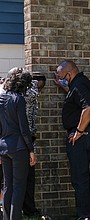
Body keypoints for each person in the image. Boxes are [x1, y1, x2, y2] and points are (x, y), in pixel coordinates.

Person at [54, 60, 90, 220]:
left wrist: (79, 131)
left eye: (61, 76)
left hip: (81, 135)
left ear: (69, 73)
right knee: (80, 176)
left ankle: (84, 216)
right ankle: (84, 214)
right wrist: (63, 87)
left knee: (79, 177)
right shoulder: (78, 84)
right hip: (85, 134)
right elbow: (76, 98)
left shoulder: (79, 84)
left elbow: (89, 108)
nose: (60, 79)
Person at [0, 67, 37, 220]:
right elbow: (24, 129)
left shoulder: (1, 98)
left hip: (3, 147)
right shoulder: (18, 99)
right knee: (19, 187)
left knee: (7, 186)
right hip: (19, 147)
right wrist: (31, 150)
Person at [23, 72, 46, 218]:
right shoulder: (31, 92)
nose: (40, 91)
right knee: (28, 178)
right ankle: (29, 209)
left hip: (22, 141)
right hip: (26, 141)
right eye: (40, 87)